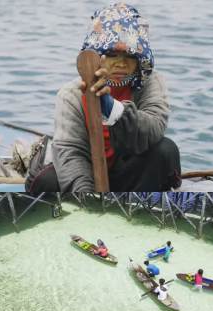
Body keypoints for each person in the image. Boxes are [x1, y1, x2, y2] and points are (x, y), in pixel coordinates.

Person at [52, 3, 181, 192]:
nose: (121, 63)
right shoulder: (71, 94)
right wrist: (88, 198)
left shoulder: (149, 83)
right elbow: (70, 151)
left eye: (129, 55)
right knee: (48, 180)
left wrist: (113, 109)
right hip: (88, 174)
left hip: (129, 174)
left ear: (139, 60)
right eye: (111, 54)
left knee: (165, 150)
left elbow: (154, 128)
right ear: (97, 56)